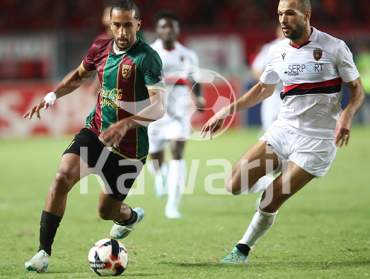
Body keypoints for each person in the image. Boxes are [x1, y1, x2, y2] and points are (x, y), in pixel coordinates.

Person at [202, 0, 364, 265]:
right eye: (279, 14)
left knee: (271, 199)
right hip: (284, 130)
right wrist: (226, 111)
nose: (283, 19)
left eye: (290, 13)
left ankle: (242, 248)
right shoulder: (277, 52)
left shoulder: (334, 47)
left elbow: (357, 89)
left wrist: (346, 116)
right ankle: (273, 180)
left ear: (307, 15)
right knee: (233, 184)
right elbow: (262, 89)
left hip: (317, 141)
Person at [24, 0, 164, 272]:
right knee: (63, 176)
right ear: (109, 25)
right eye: (117, 25)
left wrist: (125, 125)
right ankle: (43, 252)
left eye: (128, 25)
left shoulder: (147, 58)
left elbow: (159, 106)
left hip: (129, 148)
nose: (122, 32)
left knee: (106, 212)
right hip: (96, 131)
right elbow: (79, 76)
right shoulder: (100, 47)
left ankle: (130, 217)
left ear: (138, 24)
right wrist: (52, 95)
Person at [148, 11, 204, 219]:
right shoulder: (149, 52)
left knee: (177, 152)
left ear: (178, 30)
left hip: (179, 110)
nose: (168, 30)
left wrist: (199, 98)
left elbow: (195, 80)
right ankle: (160, 176)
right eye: (164, 26)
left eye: (172, 27)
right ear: (158, 30)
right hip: (154, 110)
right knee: (155, 155)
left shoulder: (188, 54)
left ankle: (172, 206)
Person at [251, 25, 284, 131]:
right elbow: (256, 68)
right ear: (278, 32)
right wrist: (267, 82)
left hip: (293, 94)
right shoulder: (271, 48)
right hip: (273, 94)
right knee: (269, 128)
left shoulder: (299, 48)